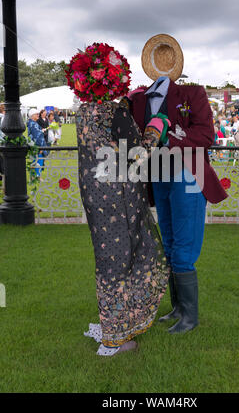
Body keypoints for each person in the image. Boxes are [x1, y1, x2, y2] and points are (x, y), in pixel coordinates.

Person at [67, 42, 170, 356]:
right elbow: (137, 156)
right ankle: (114, 338)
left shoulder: (83, 112)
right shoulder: (116, 112)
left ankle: (113, 322)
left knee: (109, 257)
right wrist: (156, 128)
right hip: (119, 196)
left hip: (95, 192)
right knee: (134, 259)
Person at [130, 34, 227, 335]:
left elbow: (206, 135)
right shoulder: (137, 99)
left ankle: (190, 317)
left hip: (188, 174)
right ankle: (178, 309)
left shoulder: (192, 93)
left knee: (183, 249)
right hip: (158, 175)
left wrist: (169, 139)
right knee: (170, 246)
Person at [27, 108, 48, 177]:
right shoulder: (33, 124)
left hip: (34, 145)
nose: (38, 115)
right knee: (38, 161)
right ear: (32, 115)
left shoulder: (33, 123)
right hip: (37, 146)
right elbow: (37, 136)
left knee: (35, 161)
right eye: (36, 114)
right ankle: (37, 177)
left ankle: (34, 176)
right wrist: (41, 147)